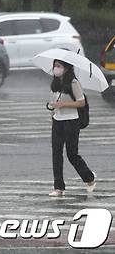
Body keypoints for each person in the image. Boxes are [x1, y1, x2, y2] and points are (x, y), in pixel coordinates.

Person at [46, 60, 96, 197]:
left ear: (67, 68)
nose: (56, 69)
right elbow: (54, 102)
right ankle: (58, 188)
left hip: (71, 122)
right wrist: (53, 110)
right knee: (56, 154)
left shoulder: (73, 83)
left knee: (71, 154)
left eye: (59, 66)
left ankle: (89, 178)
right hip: (58, 121)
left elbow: (81, 102)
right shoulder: (55, 83)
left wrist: (64, 104)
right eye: (55, 66)